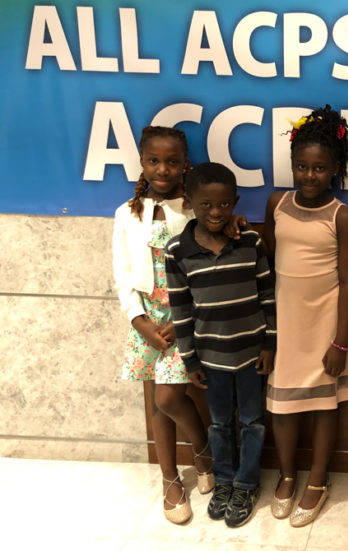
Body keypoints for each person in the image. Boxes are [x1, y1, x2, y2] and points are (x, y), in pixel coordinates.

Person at [262, 105, 348, 527]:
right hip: (286, 321)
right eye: (301, 166)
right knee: (282, 404)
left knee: (323, 405)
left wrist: (340, 342)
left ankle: (317, 481)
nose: (309, 175)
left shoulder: (343, 216)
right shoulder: (276, 203)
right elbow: (266, 260)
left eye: (320, 168)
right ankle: (287, 476)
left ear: (336, 169)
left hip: (326, 323)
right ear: (291, 164)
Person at [112, 126, 216, 524]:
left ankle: (203, 447)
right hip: (145, 321)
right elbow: (122, 274)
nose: (163, 169)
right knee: (156, 399)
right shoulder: (127, 213)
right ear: (142, 161)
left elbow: (202, 268)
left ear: (184, 164)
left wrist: (177, 318)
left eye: (172, 161)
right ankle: (170, 478)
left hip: (183, 318)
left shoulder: (194, 209)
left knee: (169, 399)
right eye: (154, 161)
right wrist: (139, 322)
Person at [165, 162, 276, 528]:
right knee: (218, 424)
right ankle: (225, 480)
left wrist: (268, 344)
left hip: (250, 354)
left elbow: (267, 295)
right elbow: (180, 307)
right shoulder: (177, 251)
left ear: (235, 202)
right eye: (206, 205)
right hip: (210, 358)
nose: (216, 213)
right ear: (190, 202)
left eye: (224, 205)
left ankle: (246, 483)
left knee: (252, 421)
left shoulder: (250, 242)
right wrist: (189, 358)